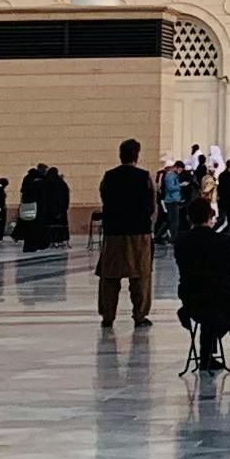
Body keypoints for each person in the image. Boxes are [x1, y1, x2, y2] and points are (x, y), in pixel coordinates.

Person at [173, 177, 230, 370]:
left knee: (209, 309)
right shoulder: (223, 240)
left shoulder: (181, 241)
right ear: (210, 217)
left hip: (192, 299)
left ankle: (206, 355)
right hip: (222, 298)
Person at [96, 137, 157, 329]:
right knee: (140, 276)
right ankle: (139, 315)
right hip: (139, 232)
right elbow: (151, 205)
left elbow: (104, 197)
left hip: (113, 232)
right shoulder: (144, 177)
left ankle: (108, 315)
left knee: (110, 277)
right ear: (136, 156)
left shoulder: (109, 176)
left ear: (120, 155)